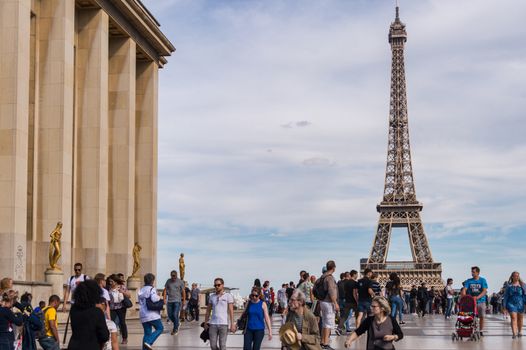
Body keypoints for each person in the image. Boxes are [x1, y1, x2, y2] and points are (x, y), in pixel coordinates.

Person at [67, 281, 110, 350]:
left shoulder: (73, 309)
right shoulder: (97, 312)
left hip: (74, 345)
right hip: (91, 346)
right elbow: (104, 336)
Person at [204, 277, 235, 350]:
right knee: (213, 346)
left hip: (223, 324)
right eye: (215, 285)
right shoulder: (212, 297)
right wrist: (206, 322)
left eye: (218, 285)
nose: (216, 287)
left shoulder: (228, 296)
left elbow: (231, 311)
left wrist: (232, 324)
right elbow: (208, 311)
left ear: (222, 285)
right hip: (213, 324)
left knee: (222, 345)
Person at [138, 273, 164, 350]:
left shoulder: (141, 290)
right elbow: (154, 299)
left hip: (143, 314)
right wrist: (159, 296)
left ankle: (145, 348)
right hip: (152, 314)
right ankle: (149, 342)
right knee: (160, 328)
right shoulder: (151, 289)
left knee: (147, 333)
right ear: (152, 281)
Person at [462, 266, 488, 335]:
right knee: (470, 315)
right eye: (472, 272)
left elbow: (484, 291)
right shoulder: (469, 281)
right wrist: (464, 296)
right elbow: (464, 289)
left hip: (481, 301)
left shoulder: (482, 280)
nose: (472, 273)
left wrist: (478, 297)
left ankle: (481, 330)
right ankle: (471, 328)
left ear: (478, 272)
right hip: (471, 301)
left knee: (482, 316)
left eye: (474, 272)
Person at [319, 260, 339, 349]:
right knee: (328, 323)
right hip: (328, 302)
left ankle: (322, 341)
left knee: (324, 322)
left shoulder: (322, 277)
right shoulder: (330, 278)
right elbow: (331, 291)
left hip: (322, 301)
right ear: (334, 268)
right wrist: (335, 303)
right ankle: (326, 343)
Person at [108, 274, 131, 344]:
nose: (110, 283)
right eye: (110, 282)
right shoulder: (109, 288)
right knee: (112, 323)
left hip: (121, 308)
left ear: (115, 281)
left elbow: (129, 295)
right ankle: (111, 337)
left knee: (122, 323)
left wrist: (122, 292)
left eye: (111, 281)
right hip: (112, 308)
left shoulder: (122, 287)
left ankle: (124, 338)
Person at [503, 271, 525, 339]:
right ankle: (514, 333)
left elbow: (525, 295)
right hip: (511, 303)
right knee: (513, 317)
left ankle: (520, 331)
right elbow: (506, 296)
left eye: (518, 276)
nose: (517, 277)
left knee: (520, 318)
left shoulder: (523, 285)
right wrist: (504, 306)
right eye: (515, 276)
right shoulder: (509, 286)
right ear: (512, 277)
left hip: (520, 302)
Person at [163, 270, 185, 335]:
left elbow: (183, 291)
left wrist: (183, 300)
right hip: (169, 301)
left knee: (175, 314)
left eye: (174, 276)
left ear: (176, 275)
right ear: (170, 276)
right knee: (170, 315)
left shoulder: (180, 282)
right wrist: (164, 298)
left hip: (177, 301)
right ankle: (177, 322)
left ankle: (175, 329)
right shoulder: (168, 281)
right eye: (172, 276)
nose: (173, 278)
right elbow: (165, 289)